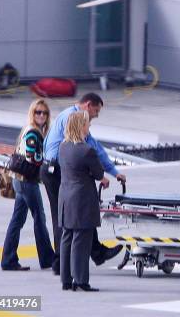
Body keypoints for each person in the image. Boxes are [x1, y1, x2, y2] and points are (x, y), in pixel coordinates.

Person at [41, 93, 124, 275]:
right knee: (64, 216)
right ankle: (61, 263)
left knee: (75, 213)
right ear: (87, 105)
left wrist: (113, 171)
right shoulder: (74, 119)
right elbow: (89, 151)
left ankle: (95, 252)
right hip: (56, 170)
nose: (96, 115)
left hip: (55, 168)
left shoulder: (70, 115)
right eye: (96, 110)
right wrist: (107, 174)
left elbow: (93, 148)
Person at [1, 99, 55, 271]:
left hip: (19, 180)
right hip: (26, 182)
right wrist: (48, 161)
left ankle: (8, 260)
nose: (41, 116)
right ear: (32, 114)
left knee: (17, 220)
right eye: (38, 112)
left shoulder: (29, 130)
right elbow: (33, 157)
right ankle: (47, 259)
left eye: (44, 113)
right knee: (39, 217)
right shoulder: (33, 133)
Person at [58, 111, 109, 292]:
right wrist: (103, 179)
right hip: (82, 199)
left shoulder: (63, 147)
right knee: (81, 238)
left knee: (67, 237)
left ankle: (66, 279)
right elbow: (98, 173)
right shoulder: (86, 150)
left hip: (65, 197)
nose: (89, 127)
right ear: (81, 126)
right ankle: (80, 280)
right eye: (87, 124)